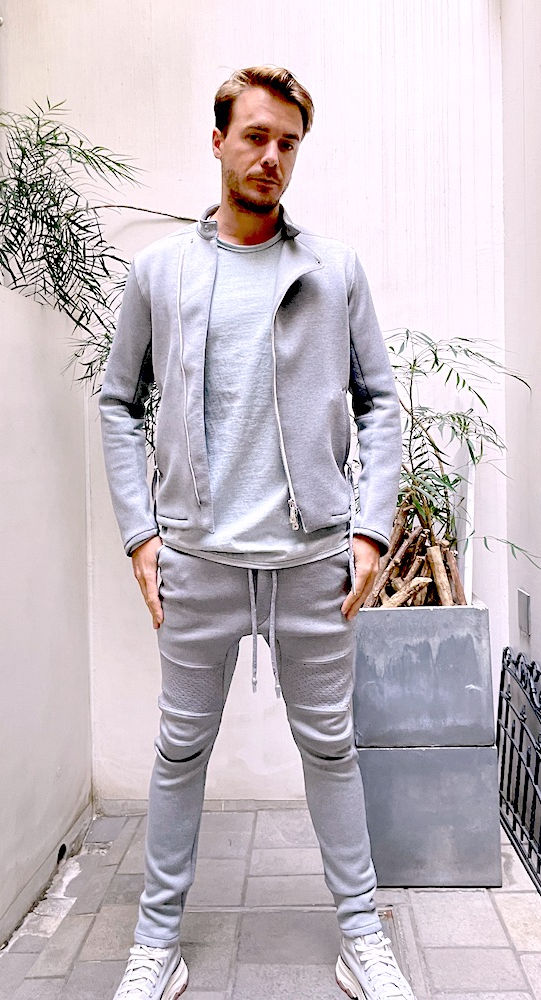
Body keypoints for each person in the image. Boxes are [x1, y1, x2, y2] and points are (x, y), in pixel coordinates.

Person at [100, 65, 414, 1000]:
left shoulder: (333, 270)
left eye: (288, 143)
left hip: (313, 562)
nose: (272, 156)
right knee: (179, 751)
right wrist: (140, 535)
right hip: (198, 561)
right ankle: (156, 944)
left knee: (332, 749)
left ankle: (362, 936)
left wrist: (371, 529)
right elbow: (118, 401)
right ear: (218, 141)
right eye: (255, 136)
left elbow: (380, 401)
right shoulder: (161, 273)